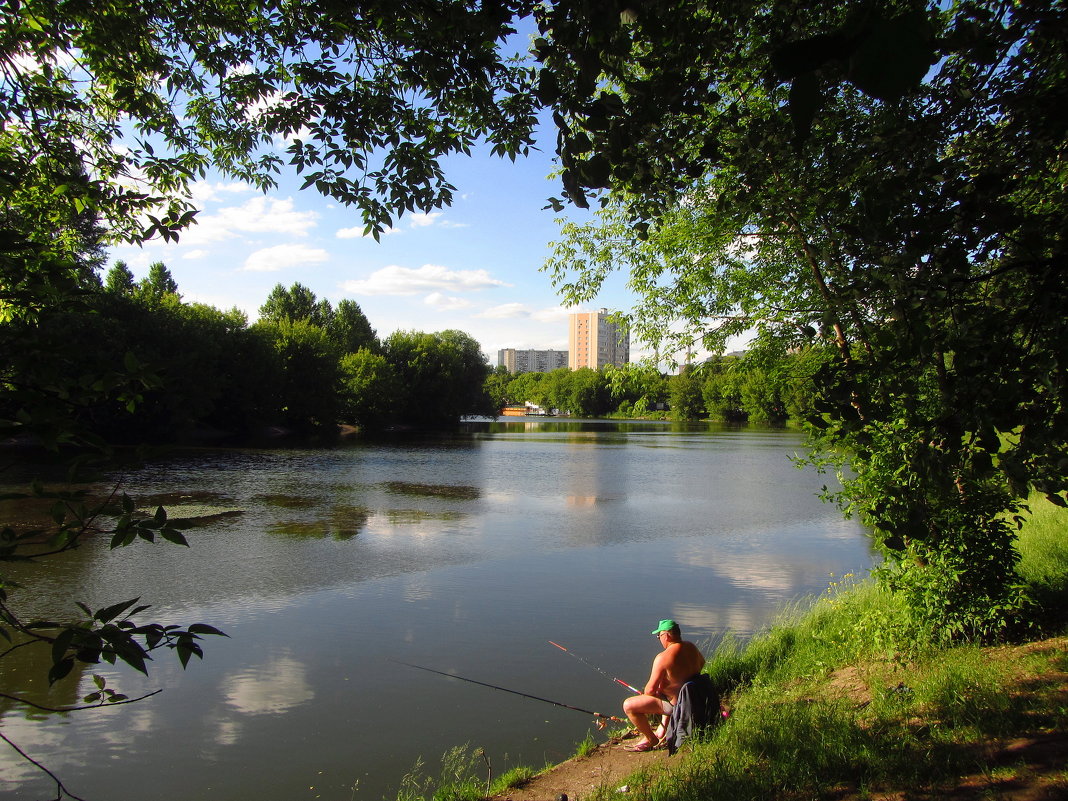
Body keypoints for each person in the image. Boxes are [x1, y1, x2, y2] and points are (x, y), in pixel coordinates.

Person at [622, 619, 706, 752]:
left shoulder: (662, 658)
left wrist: (660, 689)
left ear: (666, 635)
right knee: (664, 692)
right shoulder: (691, 647)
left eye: (659, 636)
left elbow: (650, 690)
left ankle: (651, 739)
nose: (659, 639)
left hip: (678, 706)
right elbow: (702, 663)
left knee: (629, 705)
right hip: (696, 699)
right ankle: (661, 731)